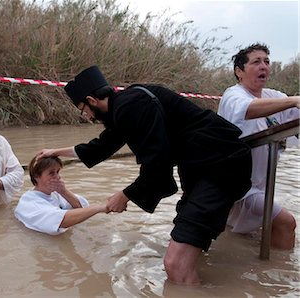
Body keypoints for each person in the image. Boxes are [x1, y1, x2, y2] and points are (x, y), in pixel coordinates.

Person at [37, 65, 252, 285]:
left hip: (220, 166)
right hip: (202, 167)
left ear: (92, 100)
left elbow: (157, 168)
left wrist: (125, 195)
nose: (88, 116)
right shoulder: (124, 107)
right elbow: (99, 147)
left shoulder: (132, 107)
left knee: (175, 264)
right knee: (186, 238)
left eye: (84, 110)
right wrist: (56, 152)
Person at [217, 43, 299, 250]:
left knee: (239, 237)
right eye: (256, 62)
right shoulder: (233, 95)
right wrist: (294, 100)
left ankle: (258, 274)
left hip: (260, 186)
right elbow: (247, 110)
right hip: (239, 187)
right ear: (239, 71)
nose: (264, 66)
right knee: (286, 222)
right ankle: (281, 275)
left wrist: (293, 102)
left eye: (267, 62)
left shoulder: (273, 96)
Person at [15, 155, 108, 235]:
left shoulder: (56, 193)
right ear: (36, 176)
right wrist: (98, 208)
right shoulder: (29, 202)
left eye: (58, 172)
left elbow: (82, 207)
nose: (58, 177)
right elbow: (61, 220)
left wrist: (64, 192)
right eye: (51, 173)